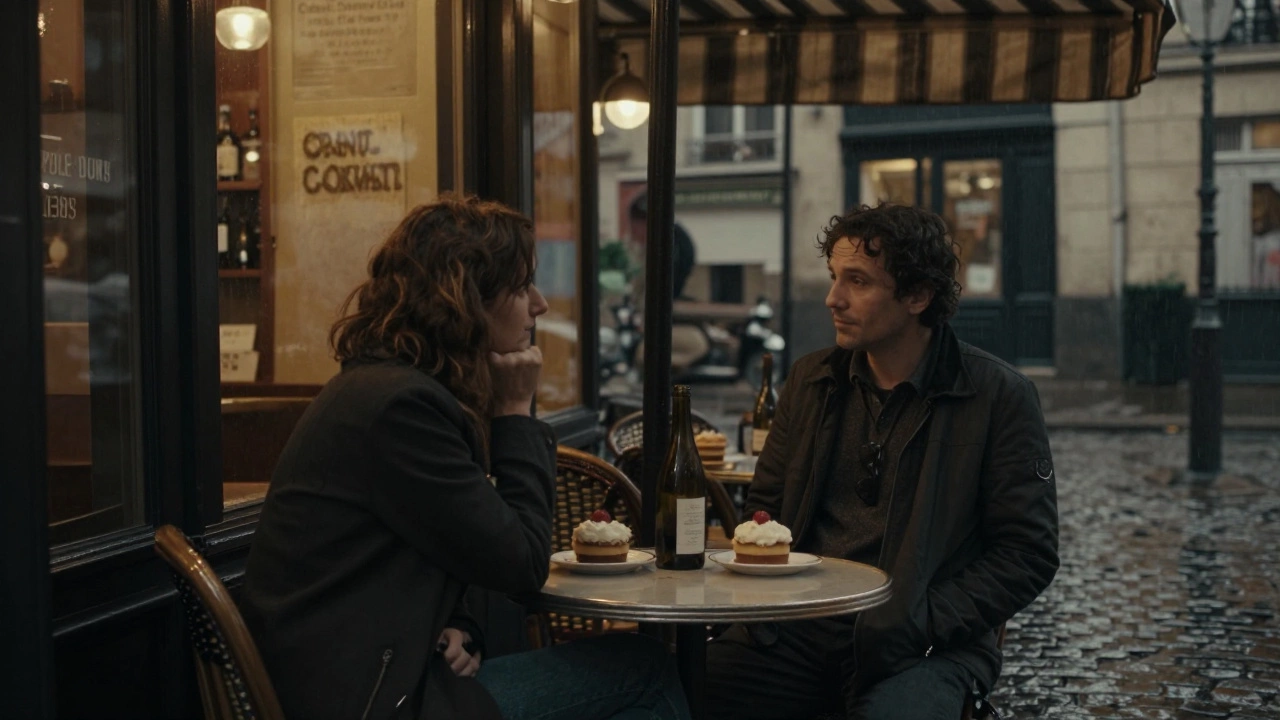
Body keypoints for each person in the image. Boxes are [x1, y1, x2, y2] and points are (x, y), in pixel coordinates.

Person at [241, 195, 690, 720]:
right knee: (644, 669)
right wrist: (515, 410)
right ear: (467, 300)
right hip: (370, 699)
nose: (540, 305)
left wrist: (461, 628)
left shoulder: (388, 392)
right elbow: (522, 564)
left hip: (375, 672)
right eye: (521, 287)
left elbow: (438, 549)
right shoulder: (402, 410)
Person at [704, 203, 1060, 719]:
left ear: (918, 296)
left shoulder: (996, 396)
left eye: (858, 281)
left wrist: (918, 620)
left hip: (923, 647)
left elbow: (1027, 554)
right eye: (833, 278)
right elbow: (764, 510)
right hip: (794, 632)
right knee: (686, 693)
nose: (833, 299)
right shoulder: (811, 381)